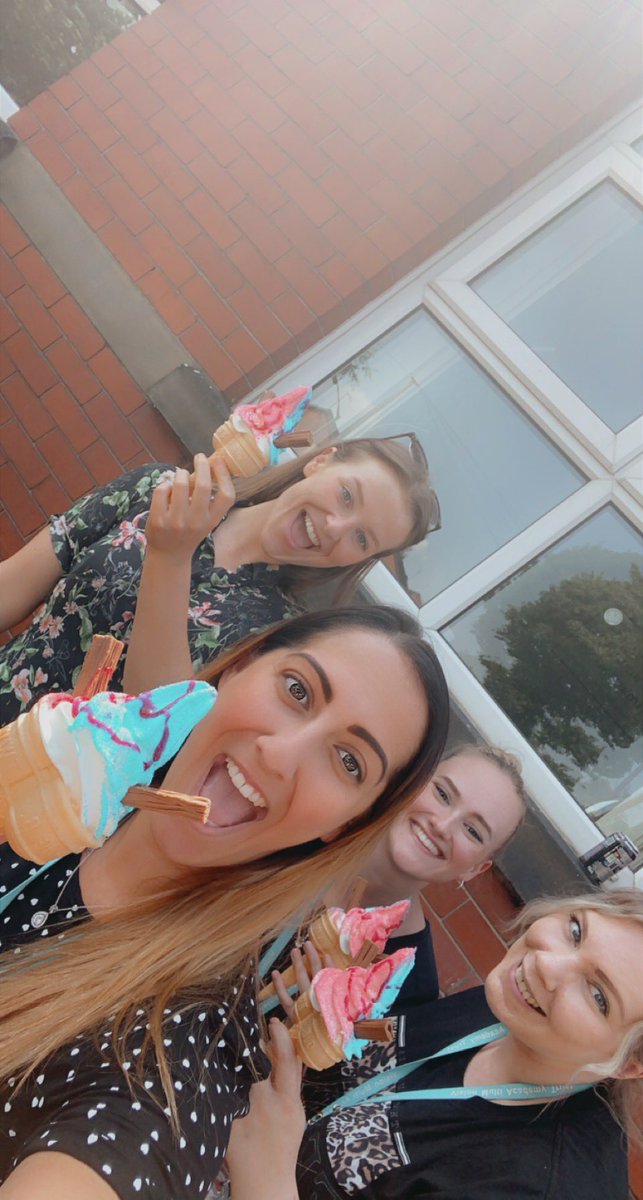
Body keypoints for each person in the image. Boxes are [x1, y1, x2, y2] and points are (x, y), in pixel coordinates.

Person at [0, 605, 449, 1199]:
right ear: (237, 669)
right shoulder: (55, 774)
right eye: (297, 690)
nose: (280, 755)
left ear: (348, 824)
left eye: (348, 762)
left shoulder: (185, 1054)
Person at [228, 889, 643, 1200]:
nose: (547, 964)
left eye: (598, 995)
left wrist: (267, 1178)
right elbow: (372, 1075)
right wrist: (319, 1013)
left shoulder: (545, 1185)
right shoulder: (508, 1011)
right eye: (575, 930)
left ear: (630, 1065)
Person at [0, 435, 439, 721]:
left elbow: (149, 718)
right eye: (347, 495)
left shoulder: (282, 638)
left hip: (37, 808)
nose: (336, 527)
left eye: (362, 538)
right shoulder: (162, 490)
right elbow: (15, 585)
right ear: (320, 461)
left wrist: (171, 558)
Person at [269, 745, 527, 1010]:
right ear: (415, 779)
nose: (441, 825)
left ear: (474, 869)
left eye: (472, 831)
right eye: (442, 793)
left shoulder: (406, 985)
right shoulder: (297, 829)